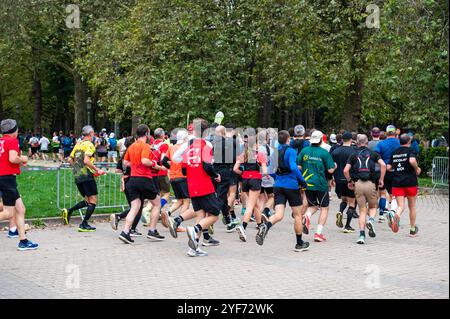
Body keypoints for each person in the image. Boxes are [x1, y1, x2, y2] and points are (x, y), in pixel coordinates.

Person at [255, 130, 310, 251]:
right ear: (288, 139)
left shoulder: (274, 152)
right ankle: (299, 243)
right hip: (291, 186)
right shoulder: (291, 151)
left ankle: (266, 225)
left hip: (278, 186)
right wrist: (302, 181)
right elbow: (293, 167)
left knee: (279, 214)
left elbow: (270, 169)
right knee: (297, 215)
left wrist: (277, 178)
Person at [175, 118, 222, 257]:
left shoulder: (188, 147)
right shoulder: (205, 146)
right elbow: (207, 165)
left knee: (201, 215)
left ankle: (193, 248)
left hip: (192, 185)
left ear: (194, 130)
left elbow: (183, 170)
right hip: (204, 186)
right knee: (214, 215)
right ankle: (195, 229)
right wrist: (215, 175)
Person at [118, 124, 164, 244]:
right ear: (147, 133)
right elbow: (145, 161)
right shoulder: (146, 146)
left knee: (135, 207)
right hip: (144, 179)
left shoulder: (131, 146)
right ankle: (152, 231)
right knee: (157, 204)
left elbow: (126, 162)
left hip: (132, 180)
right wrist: (153, 163)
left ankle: (125, 232)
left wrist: (135, 164)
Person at [0, 119, 39, 251]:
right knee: (8, 213)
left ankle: (23, 241)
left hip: (5, 178)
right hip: (7, 179)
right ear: (14, 131)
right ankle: (22, 240)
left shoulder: (1, 141)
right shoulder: (12, 141)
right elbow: (12, 158)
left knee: (21, 209)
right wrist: (22, 159)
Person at [61, 125, 105, 232]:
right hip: (86, 176)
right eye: (93, 134)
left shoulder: (78, 144)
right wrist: (97, 170)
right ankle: (84, 224)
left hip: (78, 176)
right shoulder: (89, 145)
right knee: (93, 200)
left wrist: (77, 169)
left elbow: (70, 160)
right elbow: (86, 160)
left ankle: (69, 211)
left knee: (87, 200)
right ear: (91, 134)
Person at [344, 134, 386, 244]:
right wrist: (381, 179)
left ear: (357, 143)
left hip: (358, 184)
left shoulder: (353, 154)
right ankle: (371, 220)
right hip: (371, 183)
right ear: (367, 142)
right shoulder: (374, 154)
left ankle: (361, 235)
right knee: (373, 207)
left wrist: (350, 181)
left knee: (362, 210)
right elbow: (383, 165)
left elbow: (345, 170)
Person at [298, 130, 336, 242]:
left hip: (307, 183)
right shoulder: (324, 153)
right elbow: (330, 169)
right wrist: (335, 166)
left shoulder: (304, 151)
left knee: (313, 205)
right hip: (321, 184)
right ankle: (318, 234)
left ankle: (307, 216)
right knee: (324, 208)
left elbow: (298, 166)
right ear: (321, 140)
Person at [233, 134, 268, 242]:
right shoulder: (260, 154)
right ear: (256, 143)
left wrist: (242, 173)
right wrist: (261, 174)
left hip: (245, 180)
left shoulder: (244, 154)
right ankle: (243, 226)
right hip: (255, 180)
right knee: (250, 205)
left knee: (255, 204)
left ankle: (260, 225)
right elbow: (265, 171)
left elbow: (235, 169)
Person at [109, 136, 144, 237]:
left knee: (134, 206)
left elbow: (117, 170)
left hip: (125, 180)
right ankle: (128, 225)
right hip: (134, 180)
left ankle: (123, 221)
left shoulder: (123, 154)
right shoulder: (133, 153)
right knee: (137, 207)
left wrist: (124, 172)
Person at [387, 134, 421, 236]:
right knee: (412, 207)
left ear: (399, 141)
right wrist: (417, 169)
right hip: (410, 182)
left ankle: (396, 215)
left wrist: (396, 169)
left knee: (401, 206)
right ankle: (412, 229)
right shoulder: (411, 151)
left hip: (397, 182)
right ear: (409, 142)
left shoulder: (394, 152)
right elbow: (412, 160)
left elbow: (388, 167)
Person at [164, 130, 195, 235]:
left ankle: (167, 212)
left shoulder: (171, 147)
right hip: (183, 176)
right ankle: (178, 224)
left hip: (173, 176)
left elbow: (163, 161)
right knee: (186, 201)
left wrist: (171, 167)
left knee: (180, 200)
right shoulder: (185, 147)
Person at [212, 125, 239, 232]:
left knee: (221, 196)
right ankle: (209, 219)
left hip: (214, 171)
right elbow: (232, 158)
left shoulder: (213, 144)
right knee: (221, 197)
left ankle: (228, 221)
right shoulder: (228, 143)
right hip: (224, 171)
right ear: (224, 133)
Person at [331, 131, 357, 233]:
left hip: (338, 179)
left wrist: (332, 178)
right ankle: (347, 226)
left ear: (342, 139)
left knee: (344, 200)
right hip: (350, 180)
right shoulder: (354, 151)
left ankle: (340, 211)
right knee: (352, 202)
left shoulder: (335, 151)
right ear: (351, 139)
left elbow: (331, 166)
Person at [375, 125, 401, 215]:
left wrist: (381, 163)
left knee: (389, 192)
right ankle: (392, 211)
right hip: (399, 171)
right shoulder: (400, 143)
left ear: (386, 133)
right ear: (395, 133)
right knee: (396, 194)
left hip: (386, 172)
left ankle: (389, 209)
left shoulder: (381, 144)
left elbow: (375, 155)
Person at [368, 127, 388, 222]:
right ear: (379, 134)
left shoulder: (368, 144)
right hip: (381, 170)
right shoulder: (382, 144)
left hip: (370, 171)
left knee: (374, 193)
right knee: (383, 193)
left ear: (371, 134)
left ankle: (371, 212)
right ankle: (381, 215)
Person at [152, 128, 171, 221]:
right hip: (162, 171)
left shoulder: (152, 145)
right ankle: (158, 208)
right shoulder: (164, 145)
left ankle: (157, 212)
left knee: (158, 194)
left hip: (153, 172)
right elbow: (163, 159)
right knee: (167, 193)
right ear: (163, 135)